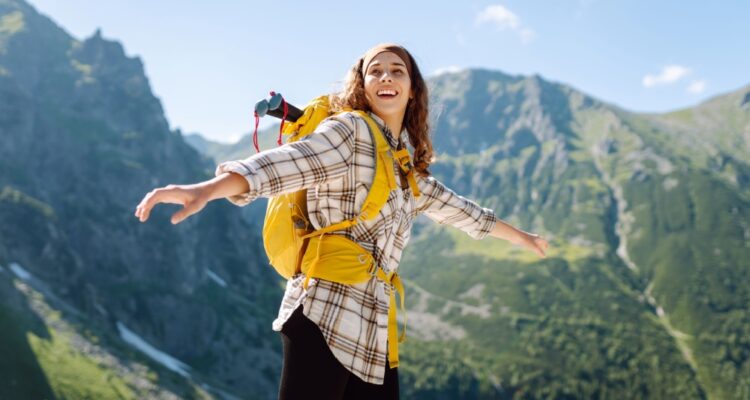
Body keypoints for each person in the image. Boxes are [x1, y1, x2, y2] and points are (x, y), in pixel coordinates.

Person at [135, 43, 549, 400]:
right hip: (323, 310)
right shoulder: (349, 131)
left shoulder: (407, 169)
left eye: (397, 70)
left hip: (374, 327)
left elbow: (463, 211)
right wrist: (205, 190)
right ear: (363, 86)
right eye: (376, 71)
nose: (386, 76)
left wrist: (524, 239)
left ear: (412, 90)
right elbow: (285, 164)